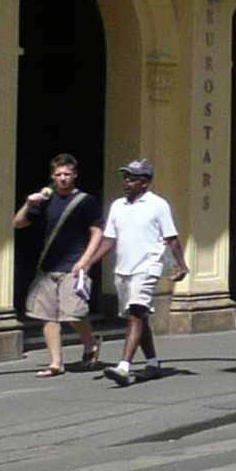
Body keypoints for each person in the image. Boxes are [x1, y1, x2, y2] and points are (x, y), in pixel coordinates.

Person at [77, 159, 182, 385]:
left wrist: (181, 266)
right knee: (137, 317)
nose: (126, 182)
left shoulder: (158, 205)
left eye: (132, 178)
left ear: (144, 183)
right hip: (123, 269)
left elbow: (172, 238)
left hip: (148, 266)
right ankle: (153, 363)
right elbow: (109, 239)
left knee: (135, 313)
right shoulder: (117, 206)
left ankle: (124, 366)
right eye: (125, 177)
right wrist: (89, 262)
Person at [13, 154, 104, 376]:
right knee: (48, 317)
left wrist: (86, 260)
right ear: (52, 176)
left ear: (74, 175)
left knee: (74, 314)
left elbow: (97, 232)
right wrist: (29, 203)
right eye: (58, 174)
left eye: (67, 174)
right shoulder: (46, 200)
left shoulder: (86, 201)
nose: (63, 178)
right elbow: (18, 223)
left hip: (73, 265)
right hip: (48, 267)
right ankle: (56, 363)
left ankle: (90, 342)